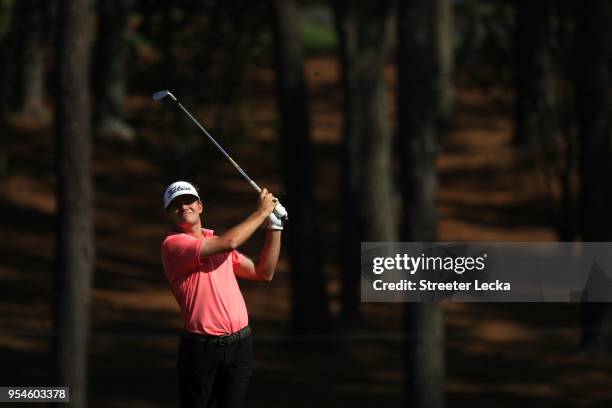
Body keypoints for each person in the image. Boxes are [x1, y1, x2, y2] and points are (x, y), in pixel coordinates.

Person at [160, 180, 284, 408]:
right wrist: (261, 211)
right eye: (176, 205)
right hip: (202, 350)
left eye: (188, 201)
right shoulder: (173, 245)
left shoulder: (214, 241)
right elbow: (231, 241)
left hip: (240, 346)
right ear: (169, 214)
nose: (184, 207)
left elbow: (263, 271)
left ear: (200, 206)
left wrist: (274, 227)